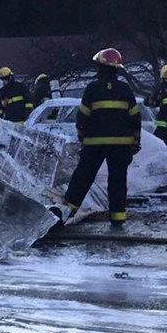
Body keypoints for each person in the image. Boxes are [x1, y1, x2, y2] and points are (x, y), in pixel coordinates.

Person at [59, 48, 141, 227]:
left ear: (101, 67)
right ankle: (118, 220)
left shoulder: (92, 89)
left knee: (83, 177)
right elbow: (135, 117)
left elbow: (82, 117)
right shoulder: (125, 89)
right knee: (118, 181)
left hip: (94, 144)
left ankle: (65, 213)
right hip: (121, 145)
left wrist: (82, 138)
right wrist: (135, 141)